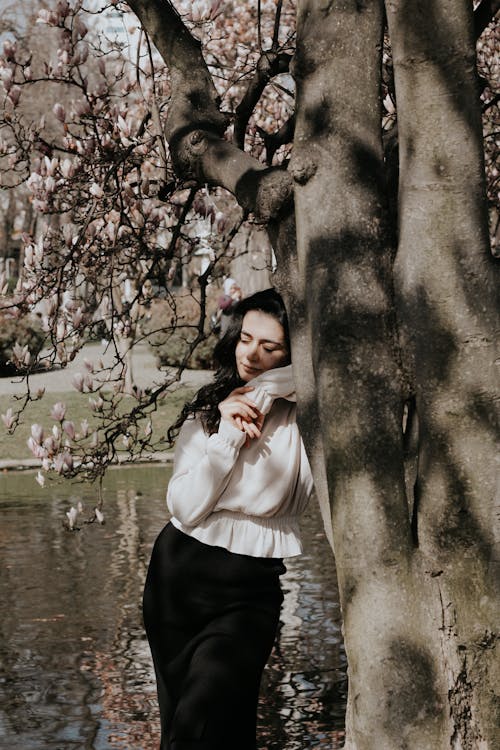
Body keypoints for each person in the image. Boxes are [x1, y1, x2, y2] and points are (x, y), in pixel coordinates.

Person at [143, 288, 313, 750]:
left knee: (198, 728)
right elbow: (184, 505)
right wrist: (228, 436)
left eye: (270, 347)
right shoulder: (211, 406)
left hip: (249, 594)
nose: (251, 354)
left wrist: (264, 392)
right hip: (177, 580)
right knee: (197, 731)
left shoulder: (307, 413)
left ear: (294, 351)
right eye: (245, 338)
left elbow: (335, 367)